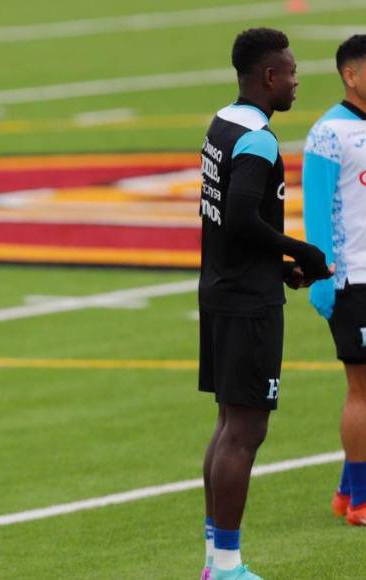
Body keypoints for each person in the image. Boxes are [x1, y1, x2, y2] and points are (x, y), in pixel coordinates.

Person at [197, 28, 332, 580]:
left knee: (229, 424)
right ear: (269, 77)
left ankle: (214, 561)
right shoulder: (258, 140)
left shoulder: (221, 123)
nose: (298, 82)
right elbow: (244, 218)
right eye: (292, 72)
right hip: (248, 304)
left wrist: (279, 267)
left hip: (222, 287)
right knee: (246, 429)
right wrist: (302, 249)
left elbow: (227, 227)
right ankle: (226, 566)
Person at [303, 34, 366, 527]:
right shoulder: (329, 133)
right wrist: (323, 279)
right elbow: (317, 212)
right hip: (354, 281)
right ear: (350, 75)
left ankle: (347, 493)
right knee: (361, 389)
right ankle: (362, 502)